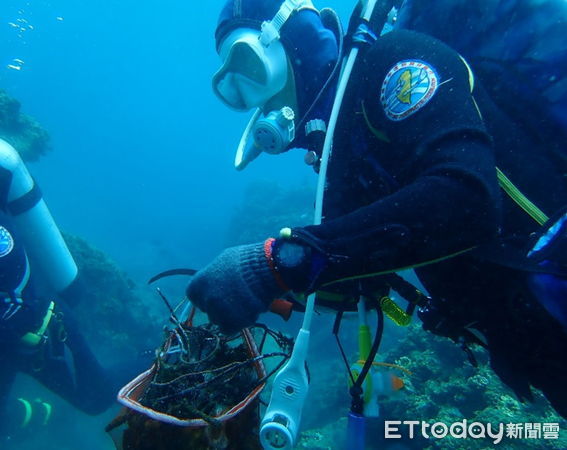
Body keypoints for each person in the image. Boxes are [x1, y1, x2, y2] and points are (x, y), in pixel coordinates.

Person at [187, 0, 567, 419]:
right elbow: (367, 262)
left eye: (249, 68)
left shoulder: (395, 66)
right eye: (235, 90)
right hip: (538, 338)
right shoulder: (347, 149)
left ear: (291, 40)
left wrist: (278, 265)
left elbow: (467, 201)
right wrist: (285, 291)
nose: (250, 96)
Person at [0, 138, 116, 443]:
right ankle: (42, 412)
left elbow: (12, 278)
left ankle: (161, 354)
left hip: (37, 328)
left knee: (96, 399)